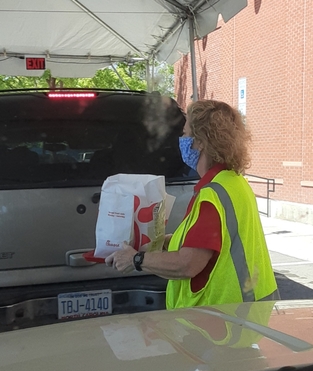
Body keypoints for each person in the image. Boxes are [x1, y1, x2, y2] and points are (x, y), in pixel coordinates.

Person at [106, 99, 279, 309]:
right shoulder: (233, 182)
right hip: (248, 311)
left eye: (186, 134)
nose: (182, 139)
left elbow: (188, 264)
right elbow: (209, 243)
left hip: (222, 321)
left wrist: (136, 260)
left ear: (201, 141)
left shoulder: (212, 195)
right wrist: (161, 241)